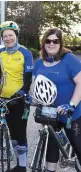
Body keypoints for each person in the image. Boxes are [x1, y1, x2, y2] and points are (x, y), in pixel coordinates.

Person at [31, 28, 81, 172]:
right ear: (43, 43)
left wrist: (71, 105)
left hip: (72, 113)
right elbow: (35, 86)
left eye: (55, 41)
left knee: (78, 146)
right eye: (48, 40)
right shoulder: (39, 63)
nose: (51, 44)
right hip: (50, 113)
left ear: (60, 43)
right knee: (51, 145)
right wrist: (31, 97)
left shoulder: (69, 59)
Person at [0, 21, 34, 172]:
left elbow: (28, 78)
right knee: (13, 135)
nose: (8, 38)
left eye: (11, 35)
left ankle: (22, 167)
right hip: (3, 99)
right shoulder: (1, 52)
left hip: (19, 100)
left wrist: (21, 94)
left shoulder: (25, 53)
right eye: (5, 36)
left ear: (16, 36)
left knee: (20, 134)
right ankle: (18, 164)